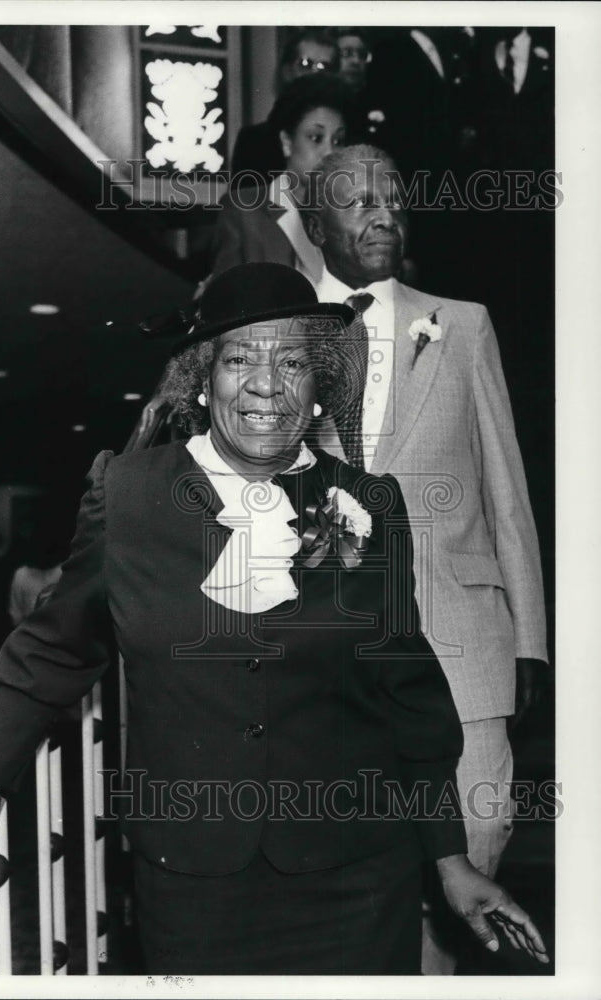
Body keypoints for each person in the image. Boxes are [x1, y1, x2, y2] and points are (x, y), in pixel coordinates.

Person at [0, 263, 548, 975]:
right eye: (239, 359)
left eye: (294, 361)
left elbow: (408, 695)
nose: (267, 384)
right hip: (192, 886)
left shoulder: (369, 502)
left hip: (358, 878)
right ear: (203, 381)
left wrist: (451, 862)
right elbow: (54, 651)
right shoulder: (129, 496)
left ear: (317, 385)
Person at [304, 147, 550, 973]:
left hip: (461, 643)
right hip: (332, 654)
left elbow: (505, 490)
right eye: (356, 200)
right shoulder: (279, 336)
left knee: (471, 856)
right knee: (357, 868)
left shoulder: (461, 323)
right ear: (313, 223)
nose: (382, 213)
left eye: (393, 197)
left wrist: (529, 642)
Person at [210, 73, 348, 286]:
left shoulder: (349, 217)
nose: (329, 151)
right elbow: (226, 305)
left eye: (338, 140)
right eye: (315, 138)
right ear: (287, 142)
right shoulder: (244, 210)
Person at [230, 27, 339, 182]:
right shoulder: (254, 141)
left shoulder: (350, 140)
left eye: (324, 67)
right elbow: (242, 201)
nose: (314, 74)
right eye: (305, 64)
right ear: (287, 71)